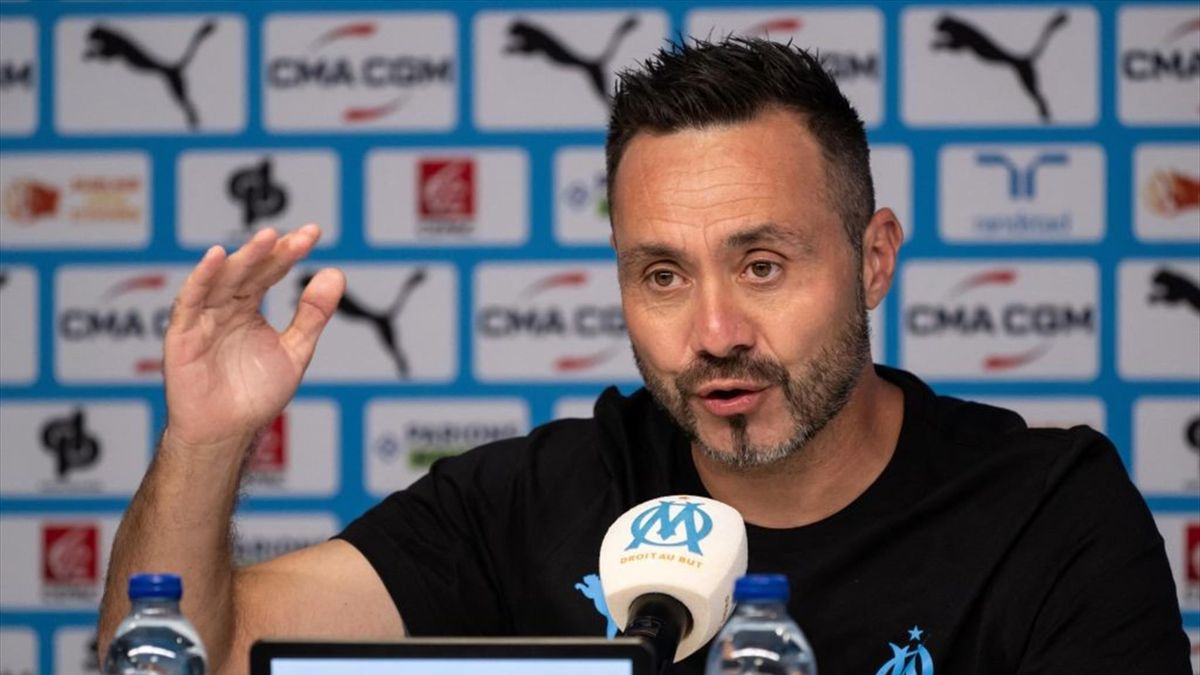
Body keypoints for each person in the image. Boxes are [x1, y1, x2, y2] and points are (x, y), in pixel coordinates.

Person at [97, 37, 1191, 674]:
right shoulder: (533, 501)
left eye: (762, 264)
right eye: (662, 275)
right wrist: (206, 441)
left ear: (873, 259)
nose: (714, 332)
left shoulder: (1049, 515)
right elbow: (190, 654)